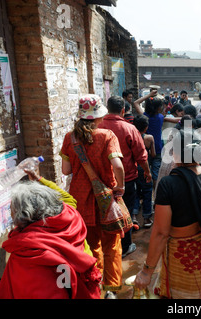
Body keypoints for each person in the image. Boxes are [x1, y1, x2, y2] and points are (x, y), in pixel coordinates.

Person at [134, 129, 201, 299]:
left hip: (186, 267)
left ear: (175, 154)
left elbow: (161, 233)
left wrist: (146, 272)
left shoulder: (168, 185)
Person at [60, 94, 125, 299]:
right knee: (112, 245)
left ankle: (94, 286)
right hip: (106, 199)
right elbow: (118, 166)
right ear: (99, 116)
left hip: (80, 201)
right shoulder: (107, 136)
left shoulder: (70, 138)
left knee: (90, 245)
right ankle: (111, 291)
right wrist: (120, 187)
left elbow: (65, 171)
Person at [0, 180, 102, 299]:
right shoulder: (70, 221)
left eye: (12, 210)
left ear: (25, 215)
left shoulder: (28, 251)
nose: (10, 215)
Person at [98, 96, 152, 258]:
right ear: (123, 110)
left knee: (103, 211)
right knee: (124, 211)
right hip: (126, 179)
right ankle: (126, 245)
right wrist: (147, 172)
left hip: (100, 180)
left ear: (107, 109)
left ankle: (106, 246)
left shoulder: (97, 126)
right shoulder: (129, 129)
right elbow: (141, 156)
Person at [133, 115, 156, 228]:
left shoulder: (131, 137)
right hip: (145, 167)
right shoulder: (149, 138)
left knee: (136, 192)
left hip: (133, 167)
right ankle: (147, 219)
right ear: (146, 127)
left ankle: (134, 217)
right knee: (147, 192)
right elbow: (153, 154)